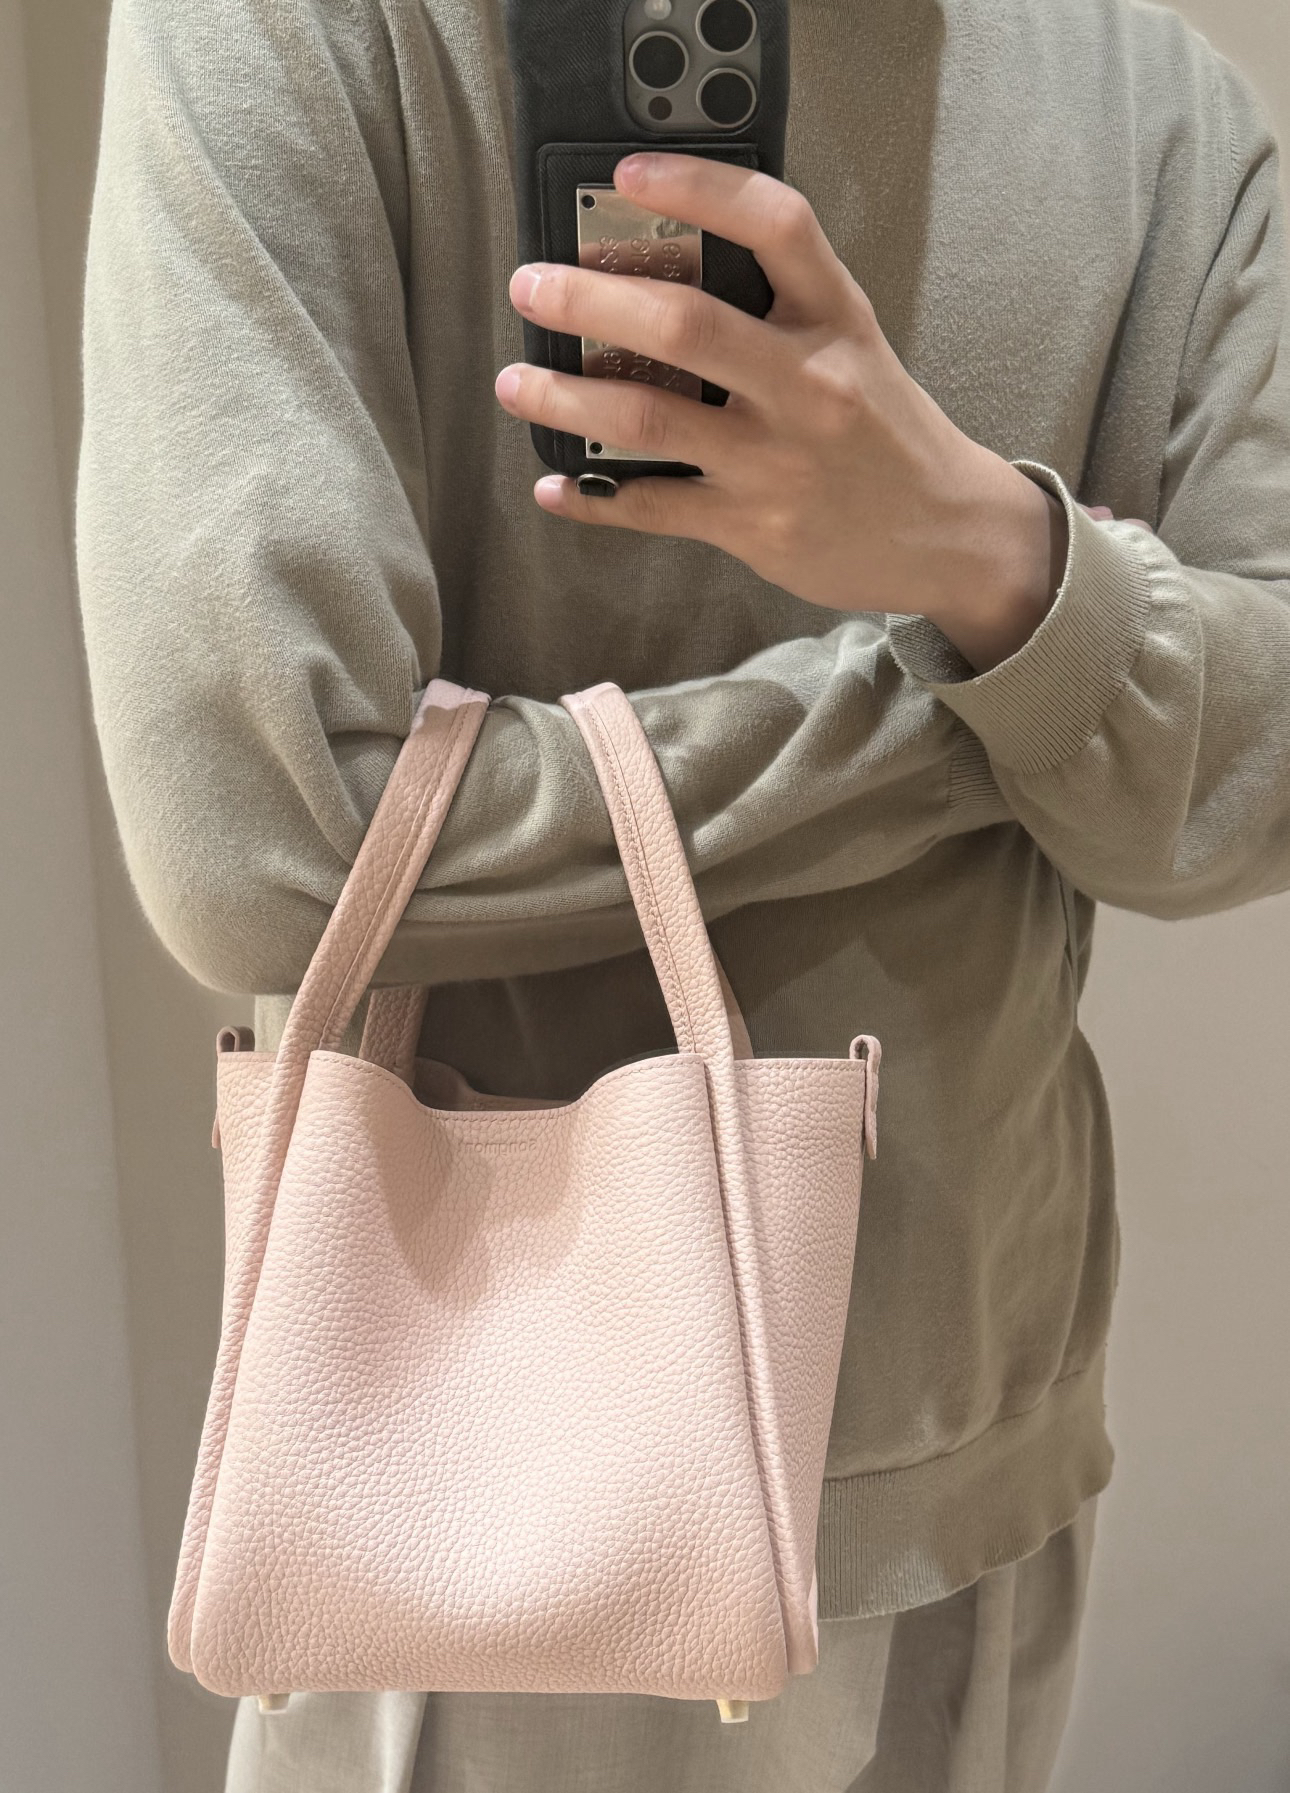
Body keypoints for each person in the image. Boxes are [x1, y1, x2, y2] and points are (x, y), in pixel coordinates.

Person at [74, 0, 1290, 1787]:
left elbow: (1253, 778)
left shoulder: (1156, 107)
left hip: (973, 1464)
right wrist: (977, 671)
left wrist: (987, 549)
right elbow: (264, 840)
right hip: (471, 1491)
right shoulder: (292, 28)